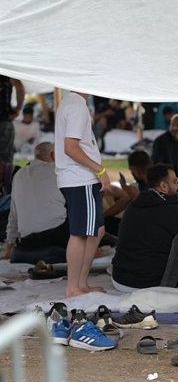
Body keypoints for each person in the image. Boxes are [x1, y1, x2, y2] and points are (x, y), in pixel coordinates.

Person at [54, 91, 110, 297]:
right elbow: (71, 147)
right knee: (80, 233)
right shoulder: (76, 106)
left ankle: (81, 284)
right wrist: (100, 170)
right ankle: (74, 287)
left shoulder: (73, 103)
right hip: (80, 178)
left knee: (98, 229)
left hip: (80, 178)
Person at [111, 164, 178, 290]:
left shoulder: (133, 205)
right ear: (164, 186)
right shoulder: (175, 211)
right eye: (175, 182)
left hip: (119, 280)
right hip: (149, 284)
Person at [3, 143, 68, 264]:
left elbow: (13, 216)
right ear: (53, 155)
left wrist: (8, 250)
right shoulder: (59, 172)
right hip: (55, 236)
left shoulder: (18, 175)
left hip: (27, 241)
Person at [0, 75, 24, 164]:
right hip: (4, 118)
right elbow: (19, 87)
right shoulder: (5, 69)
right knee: (5, 157)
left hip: (4, 118)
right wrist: (18, 108)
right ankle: (5, 178)